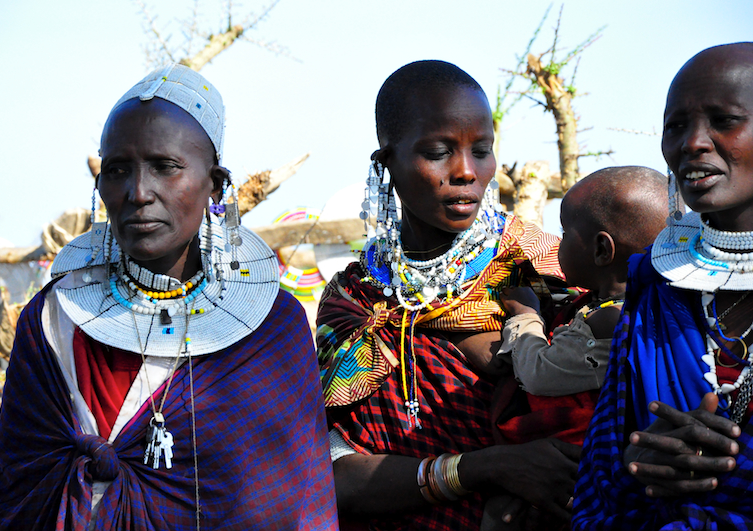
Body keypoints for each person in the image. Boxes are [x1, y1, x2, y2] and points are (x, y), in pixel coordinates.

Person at [0, 64, 338, 530]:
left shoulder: (273, 329)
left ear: (214, 184)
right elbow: (18, 494)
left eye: (165, 167)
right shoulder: (53, 319)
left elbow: (295, 504)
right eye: (117, 171)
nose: (138, 192)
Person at [316, 60, 582, 530]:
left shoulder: (537, 270)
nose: (465, 171)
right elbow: (335, 474)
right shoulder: (355, 301)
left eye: (482, 150)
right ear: (387, 164)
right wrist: (486, 468)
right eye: (439, 152)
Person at [573, 42, 753, 529]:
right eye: (676, 125)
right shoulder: (655, 285)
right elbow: (597, 485)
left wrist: (735, 471)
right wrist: (646, 461)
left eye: (724, 119)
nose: (692, 142)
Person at [498, 166, 668, 397]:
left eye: (565, 233)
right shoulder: (638, 297)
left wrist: (525, 314)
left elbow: (539, 374)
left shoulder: (611, 320)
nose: (558, 241)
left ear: (601, 250)